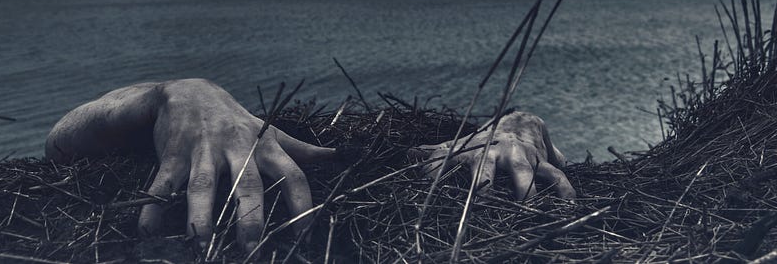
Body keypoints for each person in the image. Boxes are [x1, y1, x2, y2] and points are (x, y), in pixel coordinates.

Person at [46, 78, 574, 253]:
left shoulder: (412, 163)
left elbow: (59, 147)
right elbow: (62, 144)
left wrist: (517, 125)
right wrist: (183, 95)